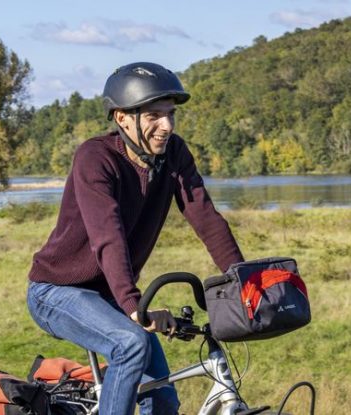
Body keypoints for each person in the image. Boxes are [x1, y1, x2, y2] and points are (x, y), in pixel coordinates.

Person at [26, 62, 244, 415]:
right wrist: (133, 305)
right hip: (57, 290)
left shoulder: (173, 154)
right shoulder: (95, 158)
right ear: (123, 118)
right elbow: (107, 235)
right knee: (130, 344)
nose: (167, 126)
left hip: (110, 295)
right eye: (155, 116)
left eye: (171, 114)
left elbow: (204, 215)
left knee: (162, 399)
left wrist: (242, 278)